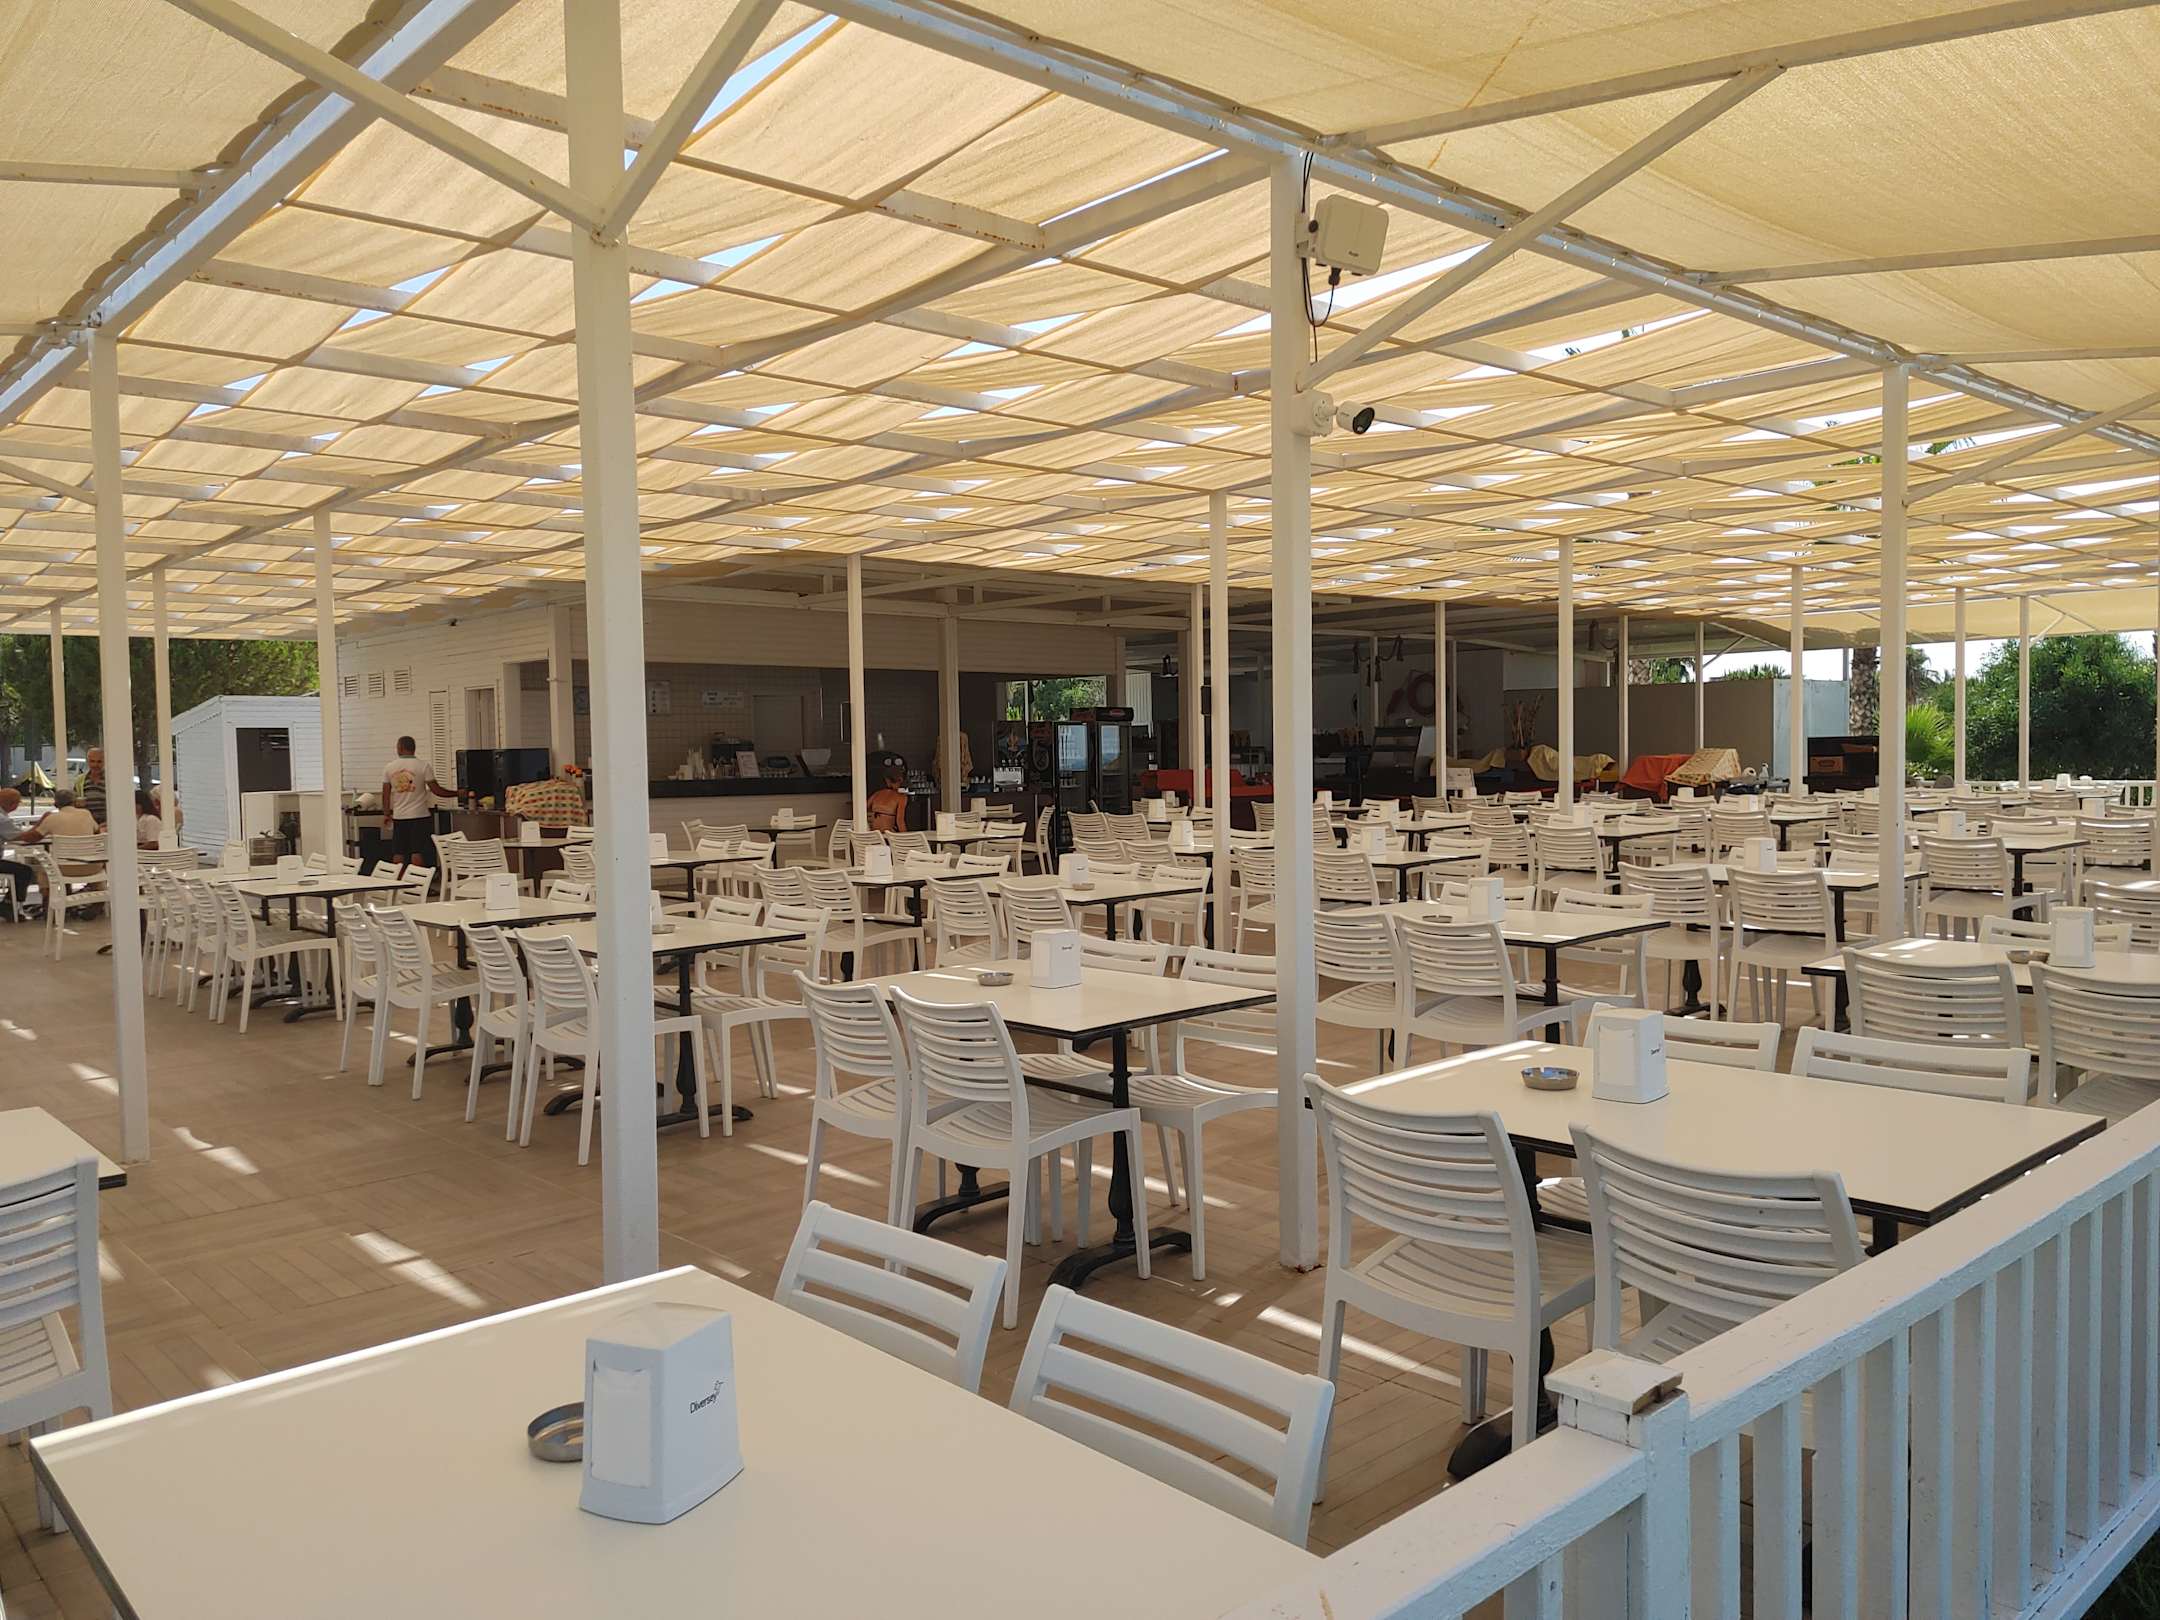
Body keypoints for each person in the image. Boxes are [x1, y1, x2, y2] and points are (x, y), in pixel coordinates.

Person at [379, 737, 463, 878]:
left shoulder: (389, 767)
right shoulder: (423, 766)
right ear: (413, 748)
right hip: (419, 815)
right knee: (417, 851)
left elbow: (385, 794)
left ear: (400, 748)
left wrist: (386, 814)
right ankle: (418, 883)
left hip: (399, 816)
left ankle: (396, 882)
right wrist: (457, 793)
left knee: (398, 852)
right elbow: (437, 790)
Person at [0, 787, 35, 919]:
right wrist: (41, 827)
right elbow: (21, 836)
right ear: (12, 804)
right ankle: (9, 905)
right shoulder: (2, 820)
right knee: (25, 871)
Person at [865, 764, 910, 834]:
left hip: (874, 834)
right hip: (888, 834)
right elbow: (900, 821)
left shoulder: (877, 794)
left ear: (887, 780)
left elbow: (862, 809)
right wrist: (906, 837)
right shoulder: (901, 797)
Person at [78, 746, 108, 829]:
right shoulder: (80, 780)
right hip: (87, 824)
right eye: (92, 761)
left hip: (108, 824)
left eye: (99, 761)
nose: (95, 765)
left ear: (104, 761)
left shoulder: (110, 779)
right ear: (88, 762)